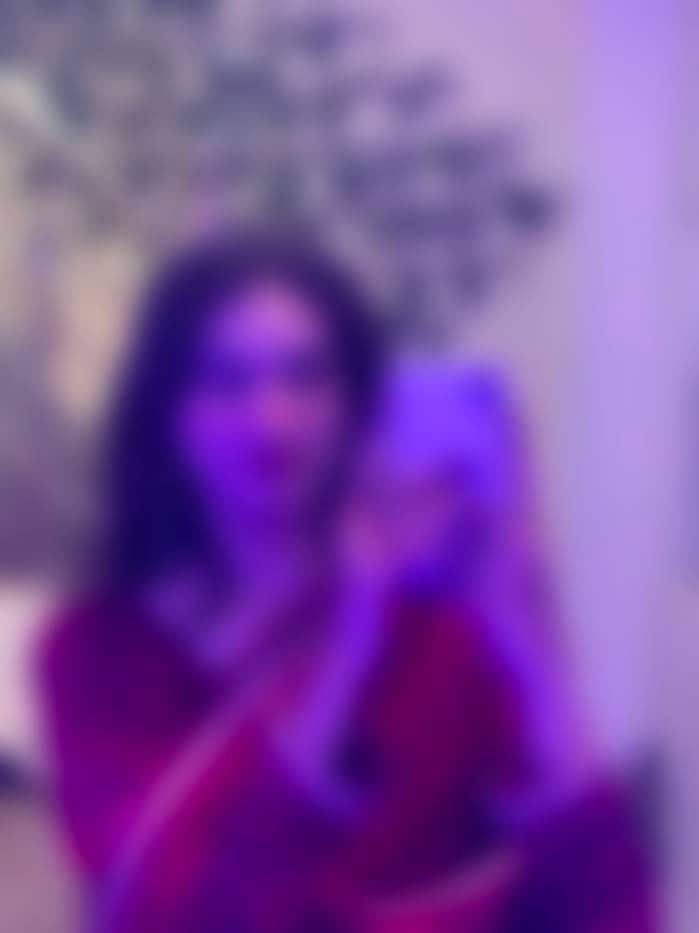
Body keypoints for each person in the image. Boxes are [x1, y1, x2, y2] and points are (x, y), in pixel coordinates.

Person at [37, 234, 655, 932]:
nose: (270, 419)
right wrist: (347, 658)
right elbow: (190, 916)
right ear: (167, 414)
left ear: (356, 409)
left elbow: (612, 916)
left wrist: (528, 630)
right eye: (227, 381)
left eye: (306, 378)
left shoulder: (444, 641)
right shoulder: (94, 652)